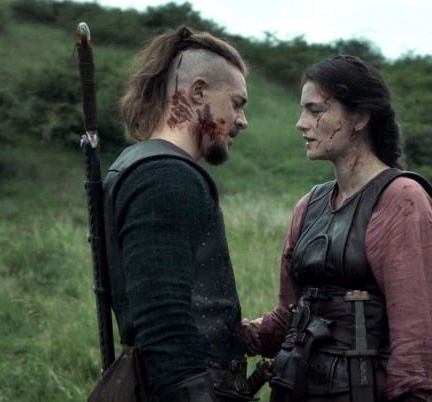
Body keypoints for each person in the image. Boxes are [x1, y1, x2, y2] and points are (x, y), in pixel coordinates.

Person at [242, 55, 432, 402]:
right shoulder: (308, 206)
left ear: (360, 117)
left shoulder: (403, 200)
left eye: (315, 110)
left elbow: (415, 341)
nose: (301, 123)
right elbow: (286, 320)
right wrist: (224, 331)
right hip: (293, 389)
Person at [94, 25, 252, 402]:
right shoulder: (166, 175)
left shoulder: (144, 164)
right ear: (198, 92)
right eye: (237, 103)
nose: (242, 120)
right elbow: (162, 317)